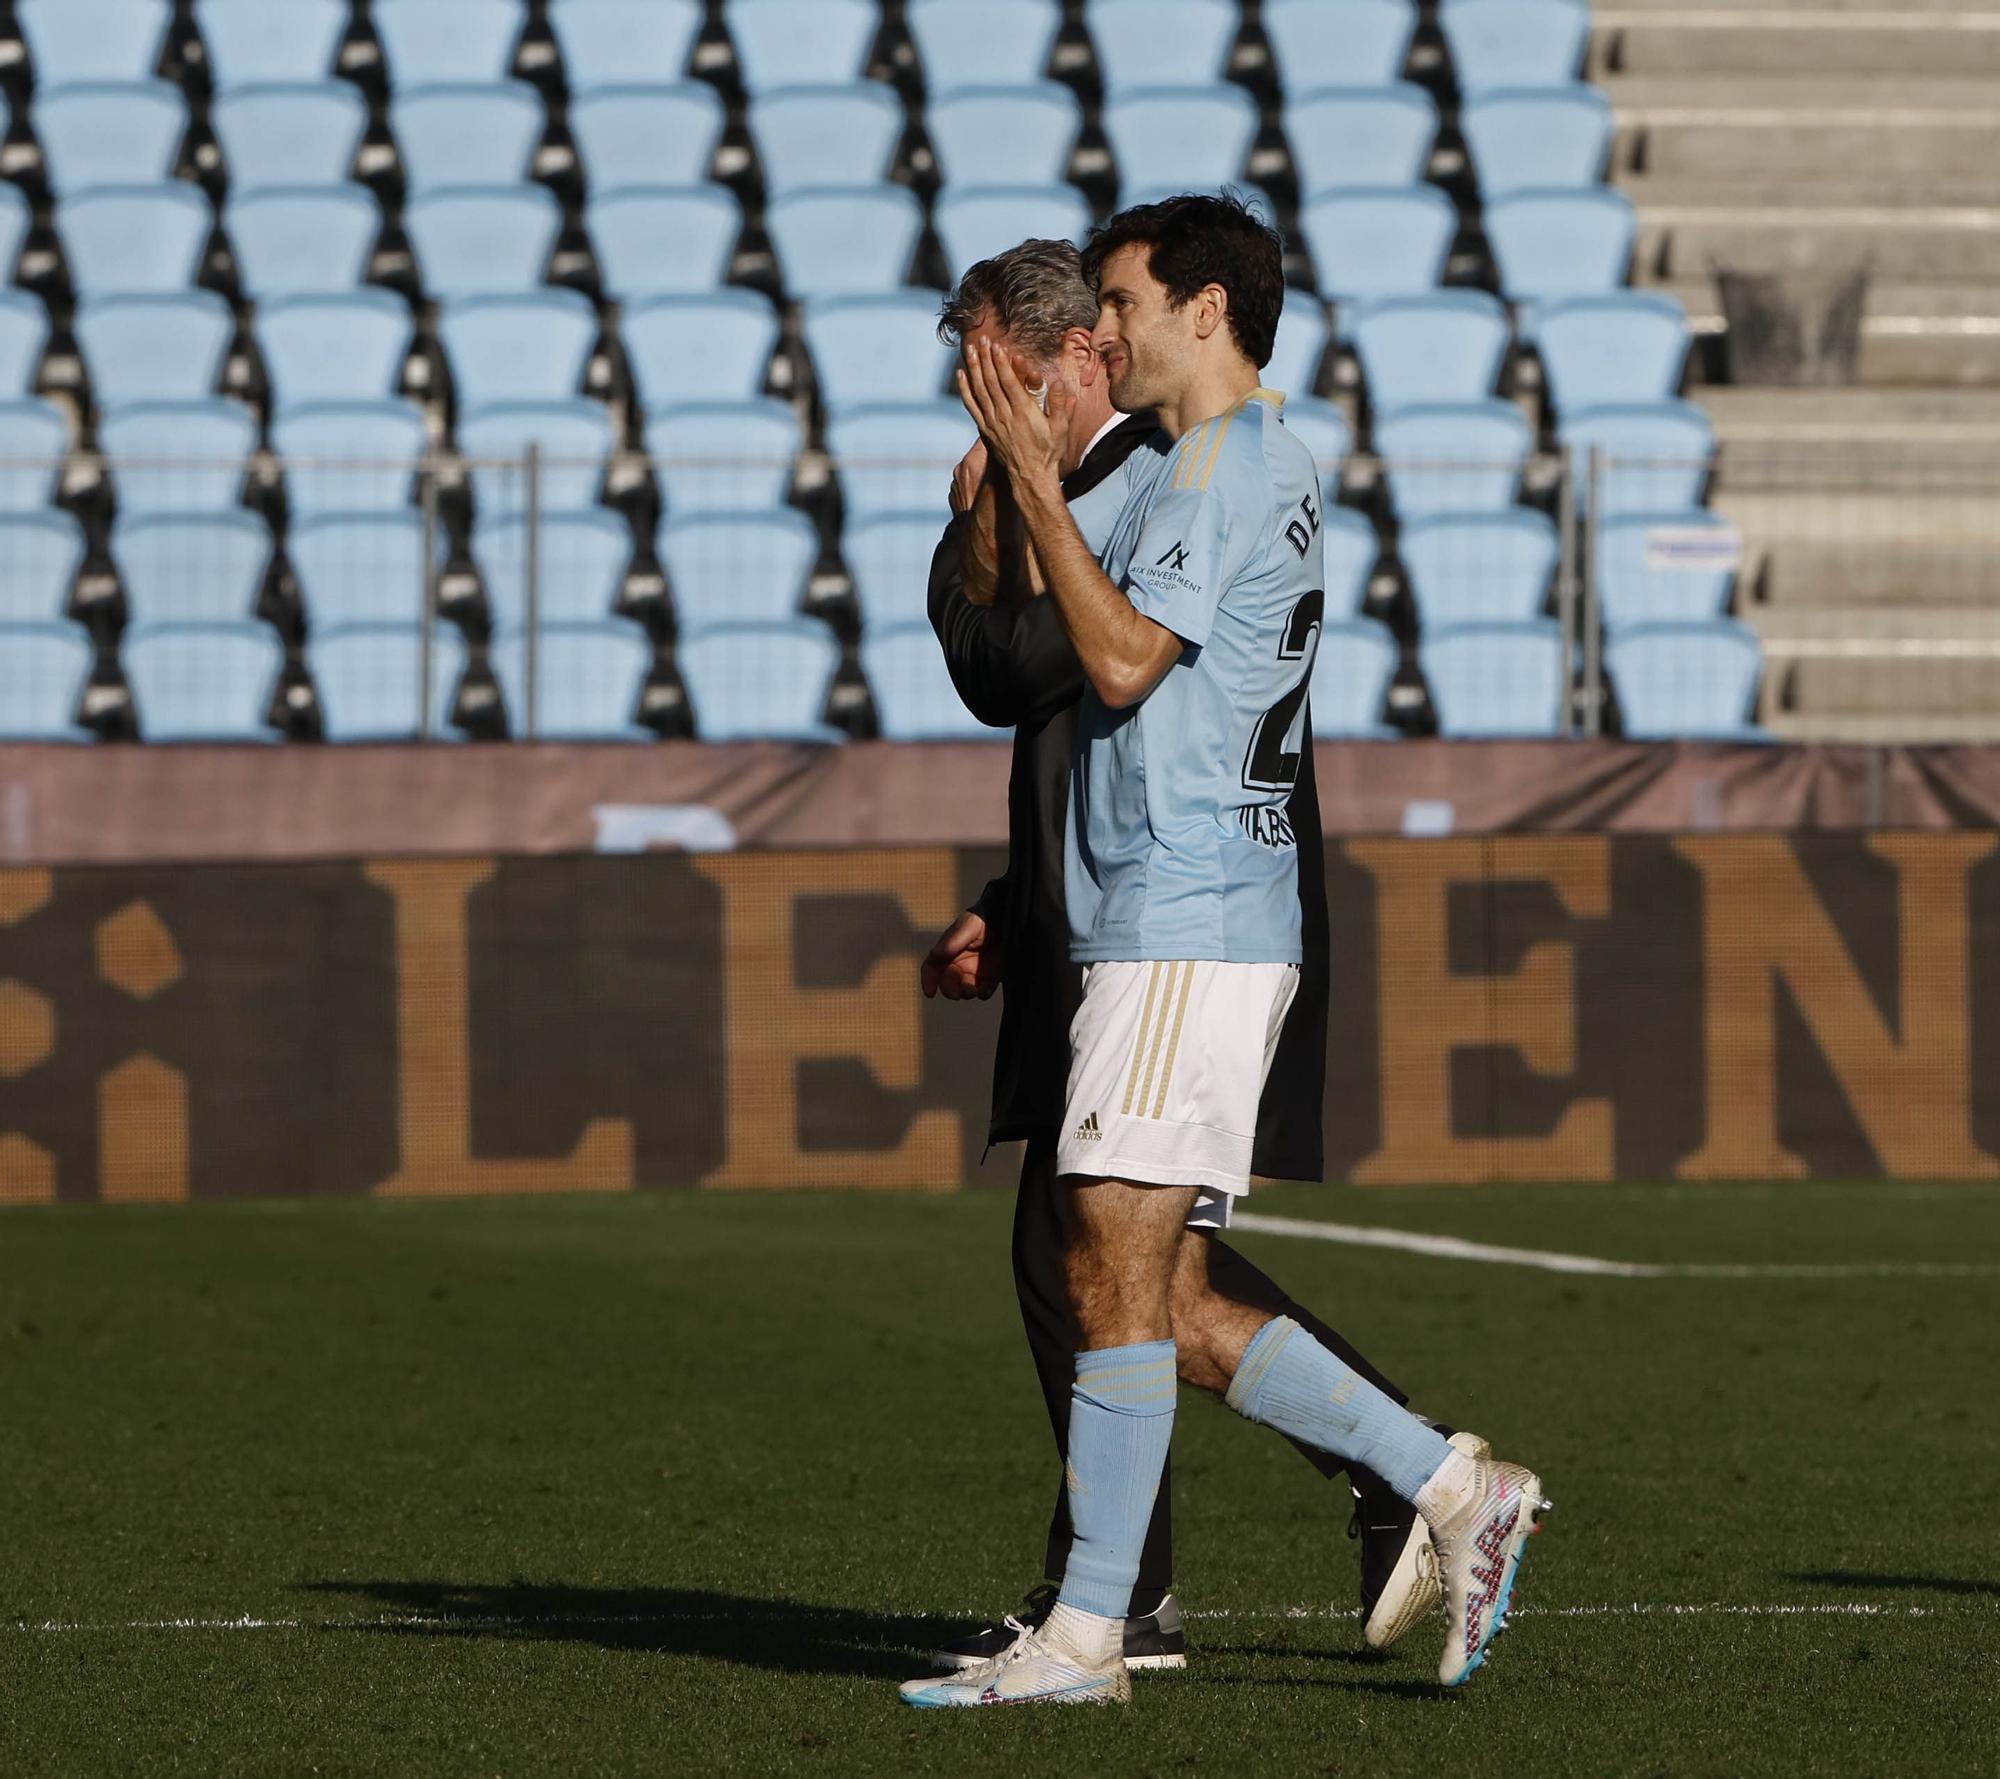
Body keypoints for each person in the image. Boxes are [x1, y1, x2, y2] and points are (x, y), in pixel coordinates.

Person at [900, 196, 1546, 1710]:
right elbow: (1014, 653)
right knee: (1150, 1287)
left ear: (1205, 308)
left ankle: (1096, 1633)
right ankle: (1446, 1492)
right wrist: (1011, 490)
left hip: (1189, 919)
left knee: (1113, 1277)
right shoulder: (1188, 468)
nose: (1104, 332)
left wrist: (1035, 485)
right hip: (1152, 916)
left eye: (1121, 303)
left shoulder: (1240, 463)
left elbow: (1119, 658)